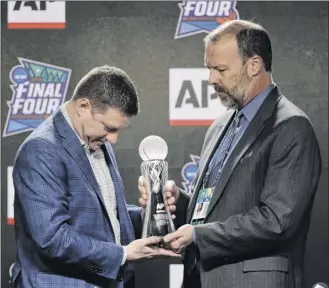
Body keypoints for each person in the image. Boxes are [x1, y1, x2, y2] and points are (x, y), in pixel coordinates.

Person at [139, 20, 322, 288]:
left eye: (220, 69)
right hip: (202, 278)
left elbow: (277, 221)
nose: (211, 79)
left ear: (254, 66)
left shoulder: (291, 126)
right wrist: (176, 203)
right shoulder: (219, 127)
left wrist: (199, 235)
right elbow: (212, 210)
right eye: (209, 69)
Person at [12, 65, 179, 288]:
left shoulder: (95, 138)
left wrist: (150, 215)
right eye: (109, 128)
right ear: (83, 106)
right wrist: (122, 254)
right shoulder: (41, 150)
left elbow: (105, 214)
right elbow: (52, 239)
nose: (114, 139)